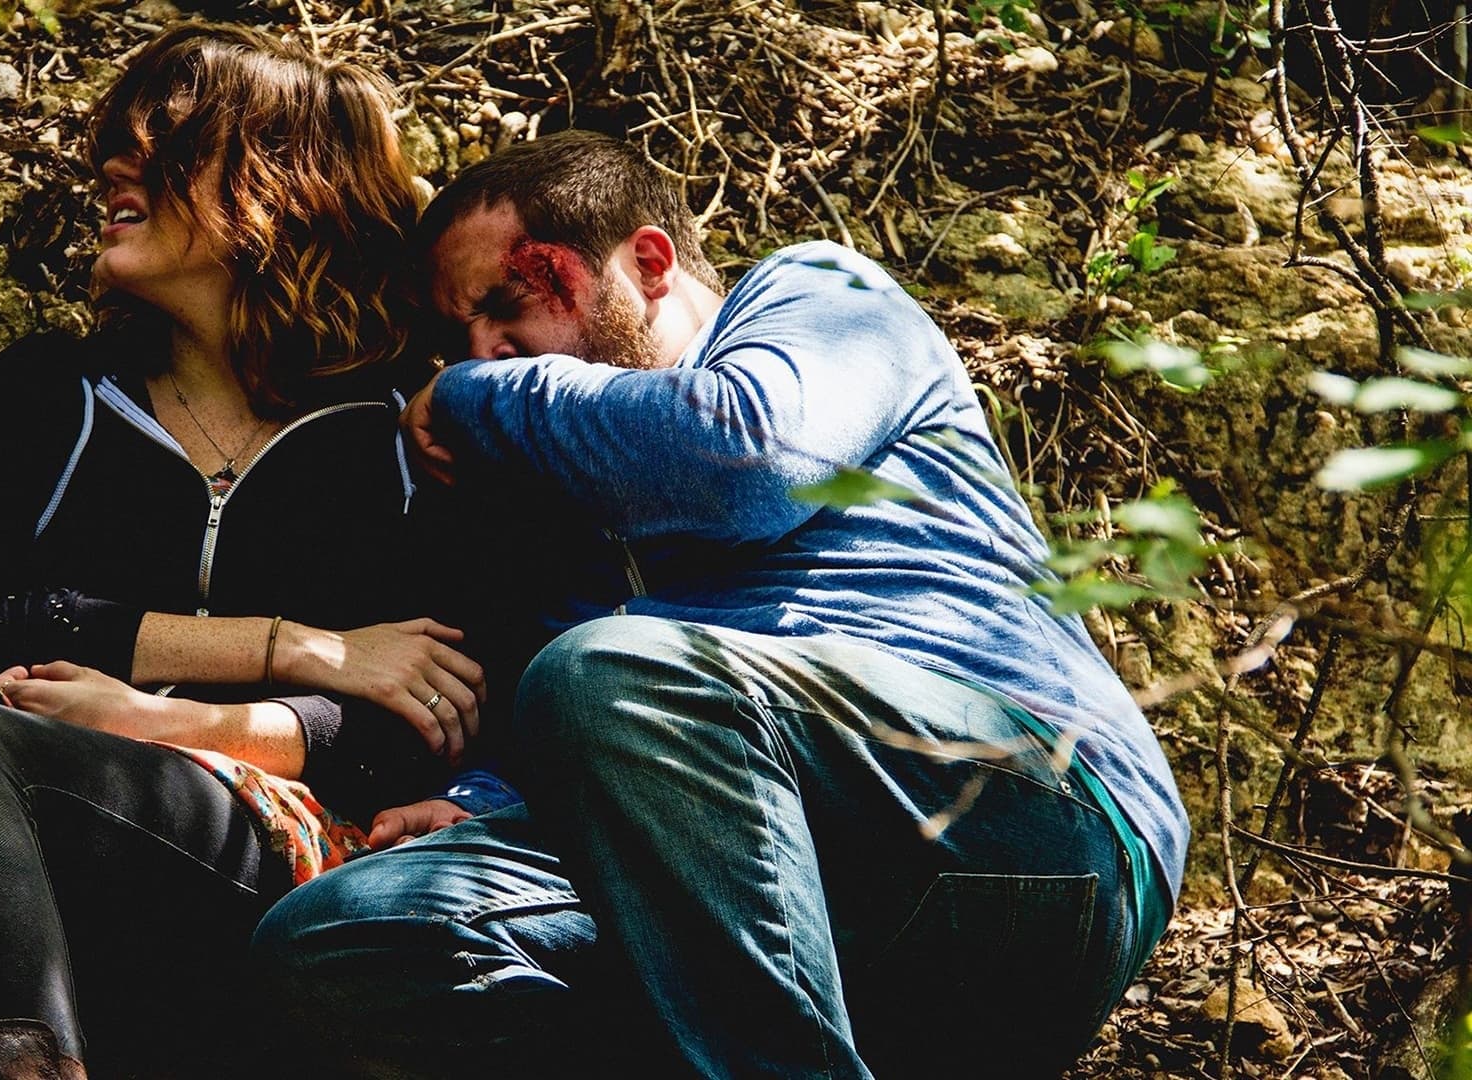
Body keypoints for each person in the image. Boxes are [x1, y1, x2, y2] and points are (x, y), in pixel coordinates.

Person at [251, 130, 1191, 1078]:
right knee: (345, 937)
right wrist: (484, 805)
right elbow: (623, 753)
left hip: (1022, 821)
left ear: (649, 263)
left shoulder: (819, 293)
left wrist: (475, 396)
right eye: (457, 345)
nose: (481, 354)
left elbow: (751, 463)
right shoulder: (555, 500)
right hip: (758, 906)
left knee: (609, 671)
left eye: (507, 307)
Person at [0, 24, 514, 1079]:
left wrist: (158, 722)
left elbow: (421, 717)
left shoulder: (409, 434)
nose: (113, 170)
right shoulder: (51, 394)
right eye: (116, 147)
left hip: (213, 855)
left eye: (161, 145)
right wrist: (300, 648)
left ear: (284, 181)